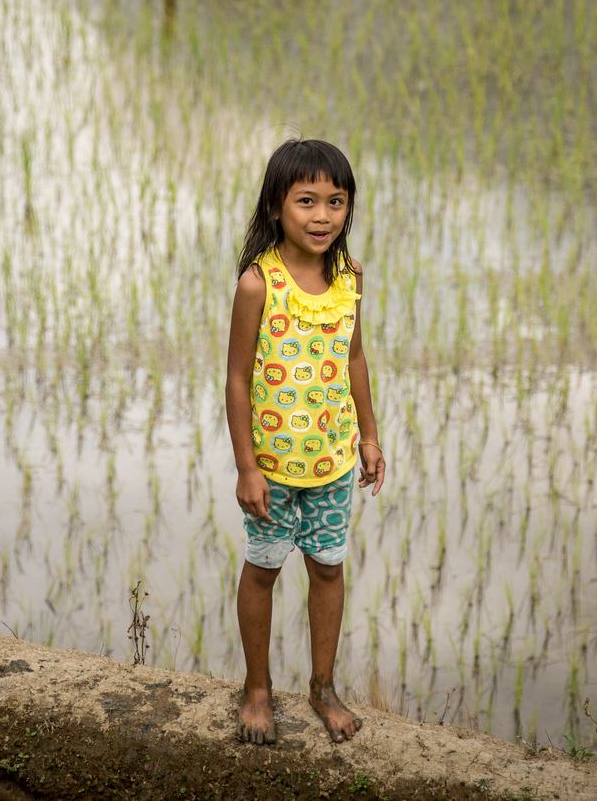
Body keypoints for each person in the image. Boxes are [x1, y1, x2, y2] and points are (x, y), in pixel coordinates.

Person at [225, 137, 385, 745]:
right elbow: (237, 380)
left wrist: (369, 435)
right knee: (263, 571)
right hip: (271, 468)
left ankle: (322, 687)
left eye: (336, 201)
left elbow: (356, 358)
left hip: (333, 464)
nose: (323, 216)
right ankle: (258, 689)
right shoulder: (256, 285)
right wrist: (246, 467)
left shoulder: (350, 278)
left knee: (327, 568)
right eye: (307, 201)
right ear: (275, 208)